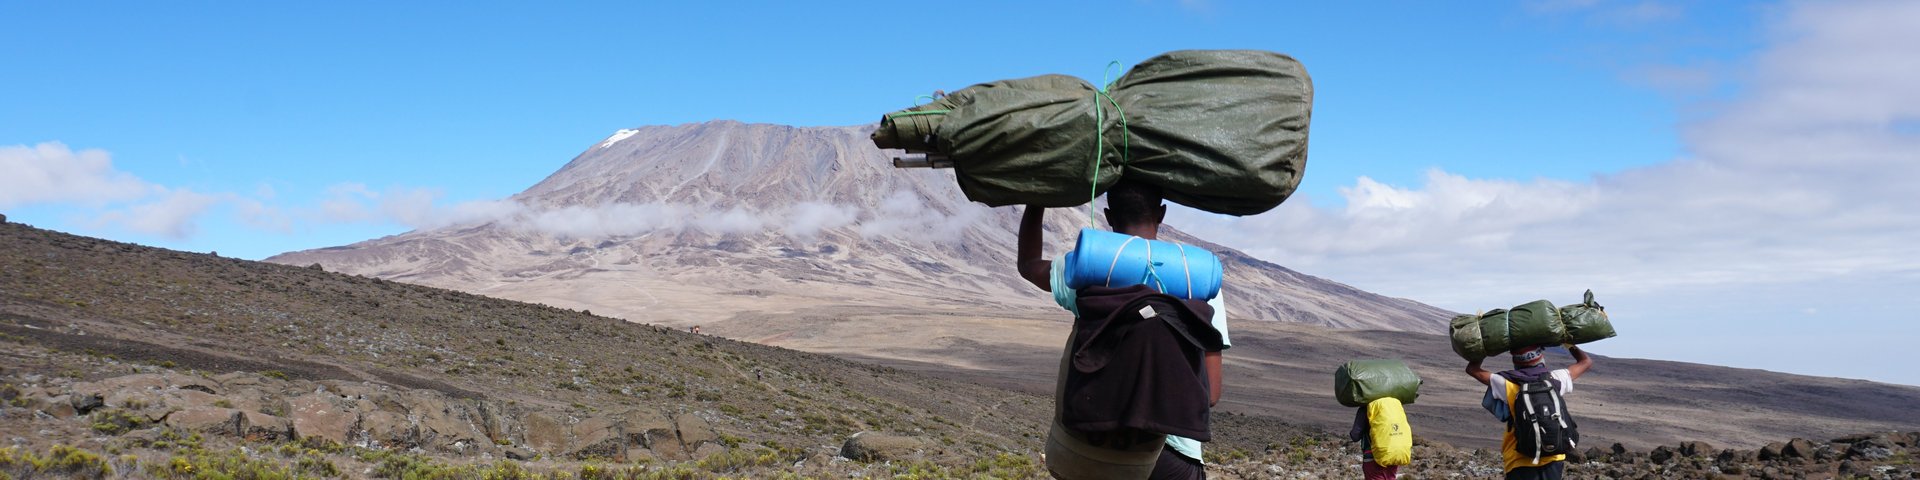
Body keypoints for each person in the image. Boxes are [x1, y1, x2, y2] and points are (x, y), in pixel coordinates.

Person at [1017, 180, 1230, 480]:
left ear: (1107, 216)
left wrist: (1036, 198)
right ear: (1162, 213)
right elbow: (1211, 394)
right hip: (1173, 456)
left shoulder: (1087, 272)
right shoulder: (1198, 284)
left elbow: (1028, 265)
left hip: (1096, 448)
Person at [1465, 344, 1595, 480]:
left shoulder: (1506, 383)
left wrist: (1484, 347)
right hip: (1553, 455)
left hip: (1518, 458)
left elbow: (1472, 369)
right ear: (1540, 358)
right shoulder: (1556, 379)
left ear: (1516, 362)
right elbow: (1586, 362)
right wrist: (1568, 344)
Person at [1348, 407, 1399, 480]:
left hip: (1373, 455)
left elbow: (1355, 436)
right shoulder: (1393, 408)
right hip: (1393, 454)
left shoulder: (1366, 408)